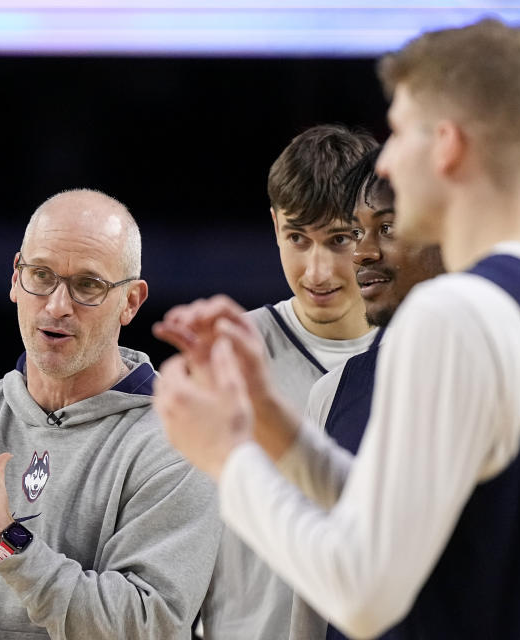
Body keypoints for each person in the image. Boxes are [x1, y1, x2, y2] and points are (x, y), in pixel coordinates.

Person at [153, 18, 520, 640]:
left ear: (446, 144)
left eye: (396, 132)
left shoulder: (454, 313)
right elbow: (402, 516)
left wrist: (226, 456)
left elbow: (363, 594)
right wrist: (269, 422)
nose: (385, 160)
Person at [0, 189, 221, 639]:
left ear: (131, 301)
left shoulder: (180, 443)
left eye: (88, 285)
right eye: (42, 275)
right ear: (16, 278)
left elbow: (146, 625)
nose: (56, 305)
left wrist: (5, 542)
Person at [165, 124, 380, 640]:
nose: (317, 270)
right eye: (297, 239)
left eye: (339, 240)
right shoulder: (228, 358)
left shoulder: (416, 358)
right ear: (274, 226)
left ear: (375, 229)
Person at [305, 147, 444, 457]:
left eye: (387, 228)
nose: (361, 253)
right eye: (356, 232)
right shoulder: (332, 394)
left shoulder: (506, 371)